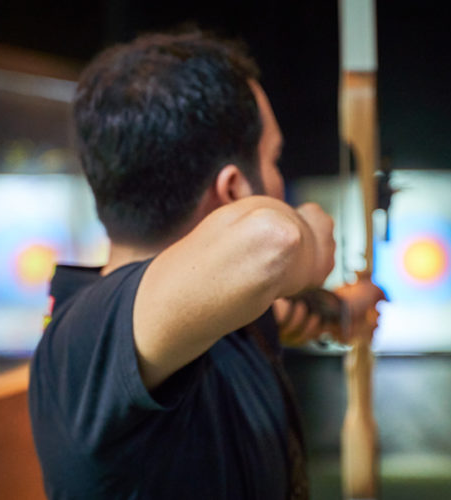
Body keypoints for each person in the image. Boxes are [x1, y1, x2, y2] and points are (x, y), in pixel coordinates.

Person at [28, 31, 384, 500]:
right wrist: (311, 242)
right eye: (274, 159)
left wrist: (346, 310)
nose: (279, 177)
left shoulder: (222, 317)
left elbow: (289, 314)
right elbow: (272, 240)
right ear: (235, 190)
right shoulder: (87, 340)